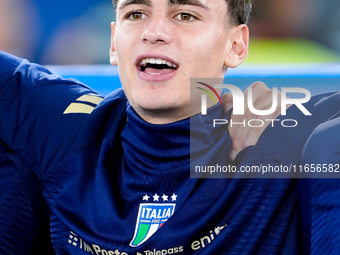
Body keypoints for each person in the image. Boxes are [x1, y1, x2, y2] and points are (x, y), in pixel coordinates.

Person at [0, 0, 339, 254]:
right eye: (136, 13)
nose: (155, 32)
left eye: (186, 15)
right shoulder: (60, 127)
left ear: (236, 46)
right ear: (114, 41)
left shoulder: (289, 141)